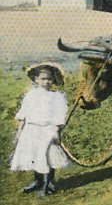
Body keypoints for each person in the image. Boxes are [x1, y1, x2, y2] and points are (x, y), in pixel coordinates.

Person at [10, 63, 70, 197]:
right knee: (34, 155)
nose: (46, 82)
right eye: (43, 79)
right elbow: (24, 113)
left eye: (49, 79)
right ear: (36, 79)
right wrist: (20, 130)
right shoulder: (31, 95)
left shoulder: (57, 97)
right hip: (31, 129)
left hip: (48, 130)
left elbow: (60, 115)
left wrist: (56, 130)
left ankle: (48, 184)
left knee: (47, 156)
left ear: (53, 80)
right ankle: (38, 181)